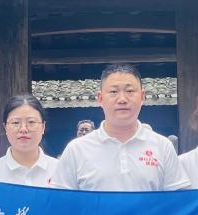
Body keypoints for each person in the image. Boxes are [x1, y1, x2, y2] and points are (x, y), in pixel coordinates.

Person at [51, 63, 189, 191]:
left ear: (142, 96)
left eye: (130, 91)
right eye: (113, 92)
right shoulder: (76, 149)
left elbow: (179, 201)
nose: (122, 99)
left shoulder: (163, 147)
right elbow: (60, 200)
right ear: (100, 98)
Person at [0, 94, 58, 186]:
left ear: (43, 127)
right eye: (15, 123)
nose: (23, 129)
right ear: (5, 127)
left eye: (31, 122)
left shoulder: (59, 169)